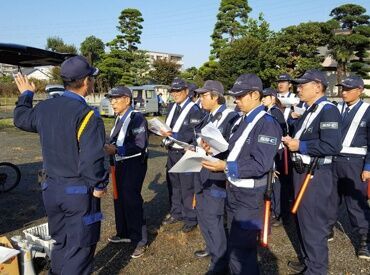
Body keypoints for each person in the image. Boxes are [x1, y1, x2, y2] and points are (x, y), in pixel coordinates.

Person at [13, 56, 108, 275]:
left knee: (60, 241)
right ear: (86, 81)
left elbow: (20, 118)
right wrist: (100, 184)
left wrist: (26, 94)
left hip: (51, 190)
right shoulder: (87, 115)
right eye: (92, 78)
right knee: (80, 248)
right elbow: (92, 159)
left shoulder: (45, 108)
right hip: (78, 193)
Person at [201, 74, 282, 274]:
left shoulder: (267, 123)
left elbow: (260, 164)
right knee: (237, 243)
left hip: (251, 195)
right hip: (235, 189)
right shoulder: (242, 120)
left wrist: (226, 166)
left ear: (255, 95)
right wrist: (214, 151)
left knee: (242, 249)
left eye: (240, 96)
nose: (235, 100)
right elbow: (235, 151)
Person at [283, 69, 342, 275]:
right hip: (303, 171)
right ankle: (309, 261)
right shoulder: (310, 109)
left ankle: (317, 269)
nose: (298, 88)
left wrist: (300, 146)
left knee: (313, 223)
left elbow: (332, 145)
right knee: (303, 221)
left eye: (302, 85)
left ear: (317, 87)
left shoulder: (328, 110)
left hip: (315, 174)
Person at [193, 80, 239, 274]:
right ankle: (213, 250)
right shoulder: (208, 117)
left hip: (218, 174)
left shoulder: (231, 118)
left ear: (215, 96)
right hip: (203, 169)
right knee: (203, 215)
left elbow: (234, 149)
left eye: (204, 95)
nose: (200, 98)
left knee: (213, 217)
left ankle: (220, 262)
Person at [327, 76, 370, 259]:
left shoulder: (368, 111)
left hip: (355, 162)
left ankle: (365, 240)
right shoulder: (336, 108)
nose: (343, 92)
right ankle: (327, 228)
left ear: (359, 90)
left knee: (355, 204)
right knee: (329, 198)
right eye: (342, 88)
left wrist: (368, 166)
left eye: (348, 89)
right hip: (333, 161)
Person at [104, 86, 149, 258]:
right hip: (119, 164)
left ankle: (140, 240)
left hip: (133, 164)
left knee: (132, 200)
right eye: (111, 99)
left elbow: (139, 145)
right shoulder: (119, 117)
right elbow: (116, 139)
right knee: (119, 198)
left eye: (117, 99)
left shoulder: (136, 118)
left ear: (127, 100)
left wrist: (116, 150)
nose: (113, 102)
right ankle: (123, 233)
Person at [162, 78, 205, 233]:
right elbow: (168, 125)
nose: (175, 94)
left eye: (178, 91)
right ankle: (176, 212)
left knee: (187, 187)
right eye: (173, 91)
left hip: (186, 152)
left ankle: (190, 217)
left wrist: (173, 134)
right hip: (172, 151)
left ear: (186, 91)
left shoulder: (194, 109)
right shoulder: (172, 107)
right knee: (174, 184)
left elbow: (192, 132)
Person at [261, 88, 289, 227]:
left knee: (276, 183)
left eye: (265, 97)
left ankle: (279, 213)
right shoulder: (270, 110)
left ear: (272, 98)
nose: (263, 99)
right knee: (273, 182)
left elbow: (281, 132)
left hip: (277, 151)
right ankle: (275, 210)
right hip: (274, 150)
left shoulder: (275, 112)